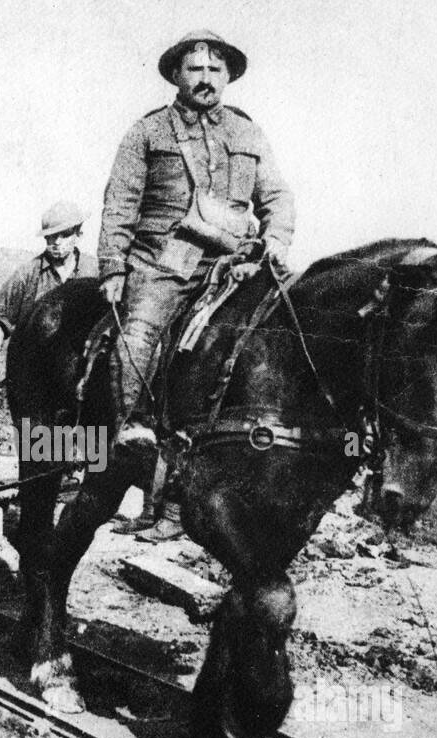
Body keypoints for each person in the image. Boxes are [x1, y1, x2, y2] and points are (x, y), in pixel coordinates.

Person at [99, 30, 295, 457]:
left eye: (215, 69)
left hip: (237, 261)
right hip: (164, 261)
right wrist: (114, 268)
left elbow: (276, 196)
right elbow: (120, 204)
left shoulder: (248, 132)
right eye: (195, 69)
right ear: (176, 75)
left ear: (226, 76)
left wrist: (277, 236)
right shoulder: (147, 133)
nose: (206, 77)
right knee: (141, 329)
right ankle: (130, 427)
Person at [0, 201, 97, 387]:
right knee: (26, 417)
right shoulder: (27, 276)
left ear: (78, 234)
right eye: (51, 236)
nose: (57, 242)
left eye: (64, 235)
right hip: (33, 379)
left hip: (79, 377)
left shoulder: (94, 273)